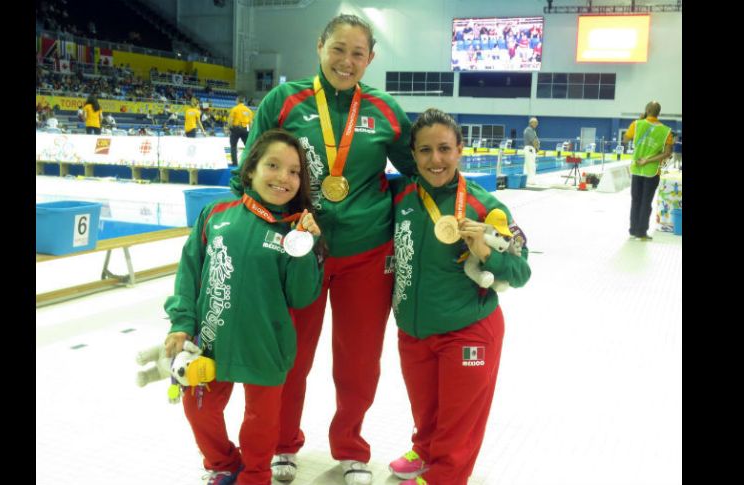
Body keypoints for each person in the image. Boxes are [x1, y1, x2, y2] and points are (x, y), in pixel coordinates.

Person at [231, 13, 416, 485]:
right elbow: (248, 174)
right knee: (289, 355)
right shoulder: (283, 101)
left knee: (359, 361)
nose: (346, 61)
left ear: (370, 58)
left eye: (357, 53)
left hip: (367, 254)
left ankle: (351, 447)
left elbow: (421, 173)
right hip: (297, 251)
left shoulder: (385, 110)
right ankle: (282, 442)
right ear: (319, 47)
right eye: (338, 49)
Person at [164, 128, 325, 485]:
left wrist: (306, 245)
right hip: (209, 342)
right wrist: (181, 323)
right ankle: (223, 463)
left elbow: (301, 297)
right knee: (198, 409)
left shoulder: (292, 230)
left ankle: (254, 475)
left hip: (265, 345)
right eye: (273, 165)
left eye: (294, 171)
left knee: (260, 422)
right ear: (251, 169)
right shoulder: (216, 214)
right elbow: (189, 271)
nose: (284, 177)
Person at [387, 108, 531, 485]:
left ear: (460, 149)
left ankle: (445, 476)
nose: (435, 159)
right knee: (426, 408)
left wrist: (486, 253)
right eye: (425, 150)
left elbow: (521, 271)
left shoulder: (486, 207)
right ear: (413, 154)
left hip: (468, 328)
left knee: (459, 418)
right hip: (414, 328)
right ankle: (425, 450)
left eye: (444, 149)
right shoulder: (400, 196)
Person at [622, 101, 673, 241]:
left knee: (636, 200)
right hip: (652, 171)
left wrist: (640, 120)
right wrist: (648, 160)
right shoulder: (666, 131)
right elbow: (667, 153)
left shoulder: (637, 124)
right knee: (646, 202)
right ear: (659, 113)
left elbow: (625, 139)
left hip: (637, 169)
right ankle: (641, 232)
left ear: (646, 110)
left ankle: (633, 231)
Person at [227, 96, 255, 166]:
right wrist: (250, 132)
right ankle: (250, 163)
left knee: (233, 146)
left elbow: (230, 120)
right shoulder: (248, 110)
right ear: (244, 101)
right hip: (245, 129)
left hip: (236, 129)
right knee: (248, 147)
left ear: (237, 101)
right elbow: (251, 123)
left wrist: (229, 129)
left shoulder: (235, 109)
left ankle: (235, 163)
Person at [522, 117, 540, 184]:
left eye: (537, 122)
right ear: (531, 123)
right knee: (531, 165)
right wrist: (537, 148)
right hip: (530, 149)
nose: (537, 124)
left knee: (527, 165)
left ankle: (526, 180)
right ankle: (531, 181)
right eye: (535, 122)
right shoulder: (529, 130)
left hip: (529, 149)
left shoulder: (530, 130)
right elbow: (534, 141)